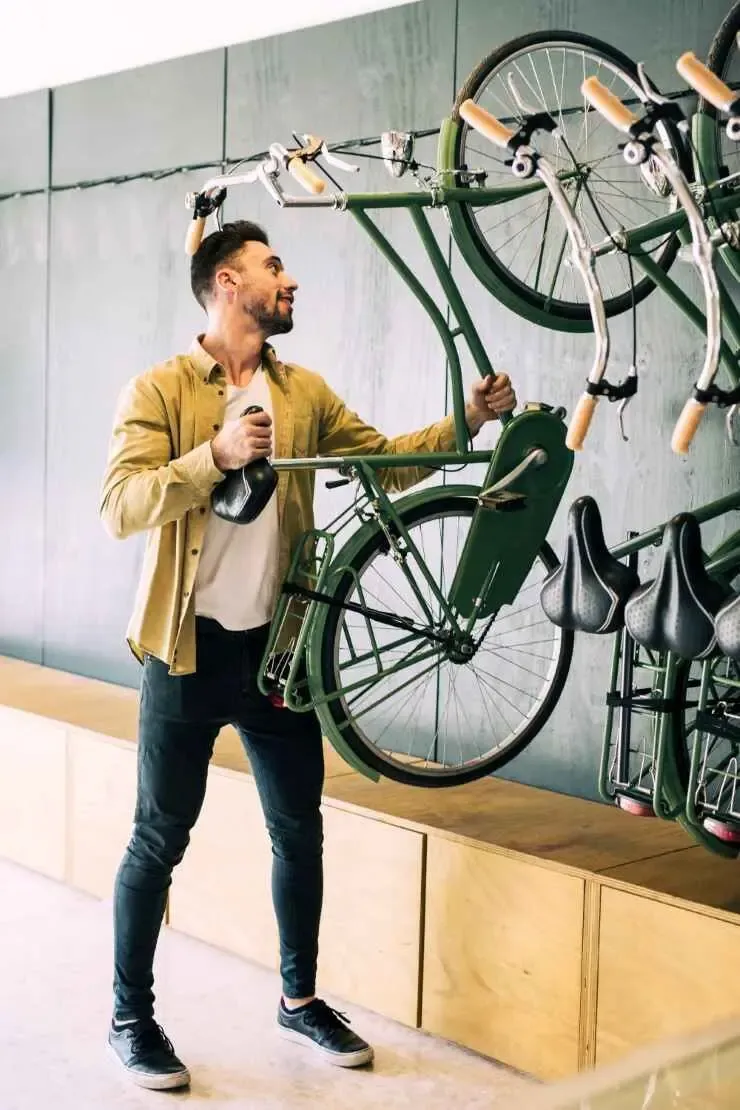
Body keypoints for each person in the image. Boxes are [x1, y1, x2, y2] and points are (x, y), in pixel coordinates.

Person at [99, 219, 516, 1090]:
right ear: (226, 282)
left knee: (300, 833)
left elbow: (386, 466)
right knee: (158, 840)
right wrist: (210, 456)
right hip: (183, 654)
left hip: (281, 657)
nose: (289, 281)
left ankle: (298, 1001)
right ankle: (129, 1017)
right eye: (272, 267)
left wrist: (466, 420)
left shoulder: (304, 392)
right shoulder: (163, 389)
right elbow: (122, 506)